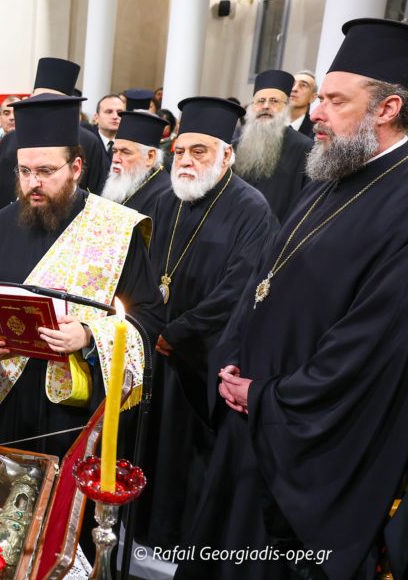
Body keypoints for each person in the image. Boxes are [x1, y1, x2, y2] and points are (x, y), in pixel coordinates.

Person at [177, 19, 408, 580]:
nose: (317, 112)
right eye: (320, 97)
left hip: (301, 439)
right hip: (249, 413)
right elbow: (265, 278)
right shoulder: (333, 171)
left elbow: (370, 348)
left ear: (387, 108)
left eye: (334, 100)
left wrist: (270, 397)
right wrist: (233, 359)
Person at [0, 93, 163, 458]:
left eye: (46, 171)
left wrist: (88, 335)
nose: (32, 182)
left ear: (76, 167)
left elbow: (147, 315)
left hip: (74, 405)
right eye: (24, 171)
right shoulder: (1, 224)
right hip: (10, 397)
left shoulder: (115, 229)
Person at [138, 96, 278, 550]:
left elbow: (240, 288)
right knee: (145, 439)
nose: (186, 160)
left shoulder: (252, 208)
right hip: (152, 343)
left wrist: (177, 333)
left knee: (182, 448)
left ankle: (174, 536)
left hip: (200, 356)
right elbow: (141, 269)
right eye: (180, 150)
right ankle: (135, 522)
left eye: (199, 151)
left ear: (226, 154)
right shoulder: (165, 199)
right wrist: (149, 325)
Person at [0, 58, 109, 230]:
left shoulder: (88, 141)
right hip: (11, 227)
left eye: (50, 100)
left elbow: (96, 196)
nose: (41, 105)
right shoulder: (9, 139)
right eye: (38, 98)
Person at [233, 70, 314, 222]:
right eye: (260, 101)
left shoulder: (305, 148)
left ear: (286, 107)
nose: (266, 106)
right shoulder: (236, 148)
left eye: (274, 101)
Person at [100, 110, 173, 216]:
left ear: (150, 157)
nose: (115, 159)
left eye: (125, 152)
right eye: (115, 151)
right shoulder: (122, 181)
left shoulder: (165, 195)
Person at [288, 70, 317, 138]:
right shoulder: (269, 121)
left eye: (303, 85)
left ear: (313, 97)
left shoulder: (316, 132)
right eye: (292, 84)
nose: (294, 89)